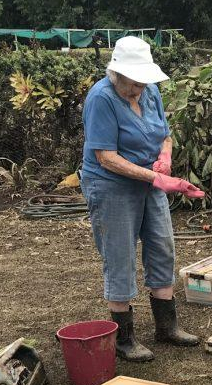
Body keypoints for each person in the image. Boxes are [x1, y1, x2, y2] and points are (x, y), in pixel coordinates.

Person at [81, 36, 205, 362]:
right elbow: (105, 157)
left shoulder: (150, 92)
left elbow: (165, 134)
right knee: (120, 255)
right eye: (132, 84)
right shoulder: (101, 99)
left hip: (151, 182)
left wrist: (165, 157)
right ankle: (124, 338)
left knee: (162, 245)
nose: (137, 90)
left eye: (141, 83)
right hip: (111, 186)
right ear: (116, 74)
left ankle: (167, 326)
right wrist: (156, 177)